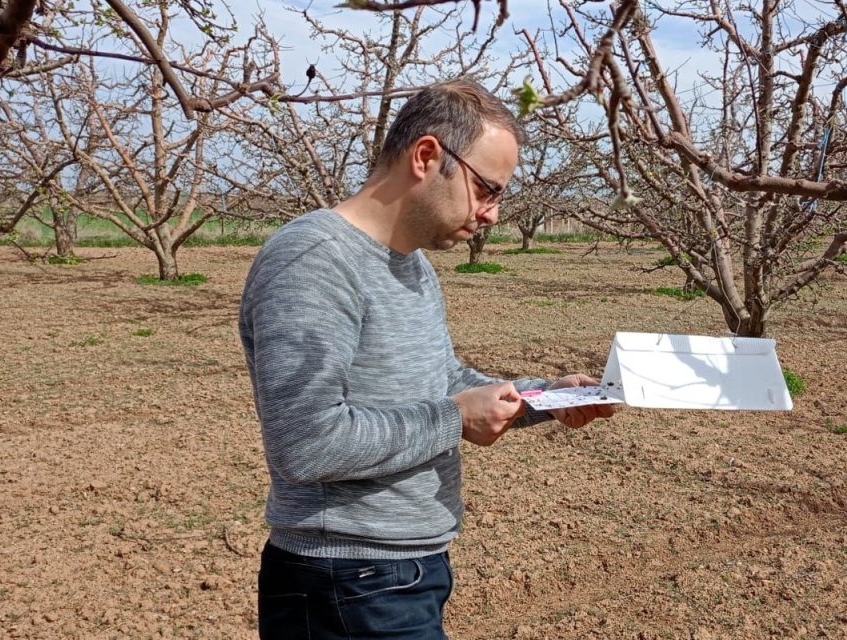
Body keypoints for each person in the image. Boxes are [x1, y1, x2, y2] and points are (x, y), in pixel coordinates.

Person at [238, 79, 615, 639]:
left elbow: (442, 380)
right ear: (426, 156)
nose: (491, 214)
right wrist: (454, 417)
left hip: (400, 573)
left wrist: (549, 396)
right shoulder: (313, 261)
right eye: (487, 188)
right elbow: (307, 442)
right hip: (345, 582)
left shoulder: (410, 265)